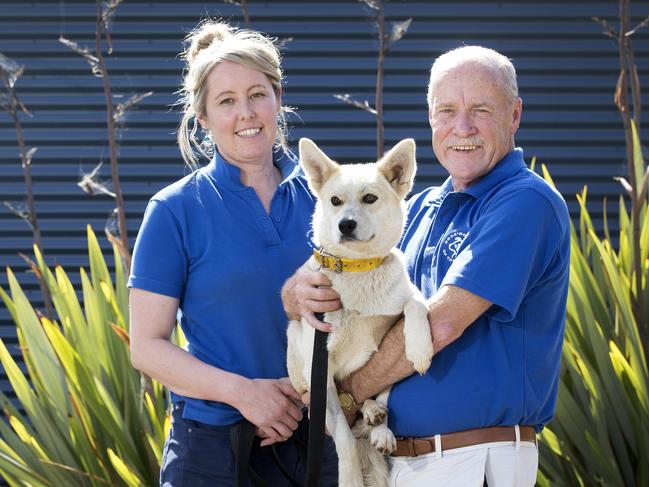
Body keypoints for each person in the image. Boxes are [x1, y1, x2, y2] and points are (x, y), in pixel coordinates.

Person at [282, 45, 570, 486]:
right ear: (431, 118)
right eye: (447, 110)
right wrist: (296, 293)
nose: (462, 127)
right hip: (399, 457)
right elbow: (362, 295)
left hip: (473, 457)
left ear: (514, 115)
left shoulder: (524, 202)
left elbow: (442, 324)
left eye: (480, 110)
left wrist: (347, 395)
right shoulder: (419, 207)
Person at [128, 20, 339, 486]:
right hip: (210, 452)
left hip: (318, 444)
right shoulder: (174, 210)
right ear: (202, 117)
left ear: (278, 98)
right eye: (226, 101)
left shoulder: (326, 200)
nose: (246, 113)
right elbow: (147, 347)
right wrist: (245, 394)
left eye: (257, 94)